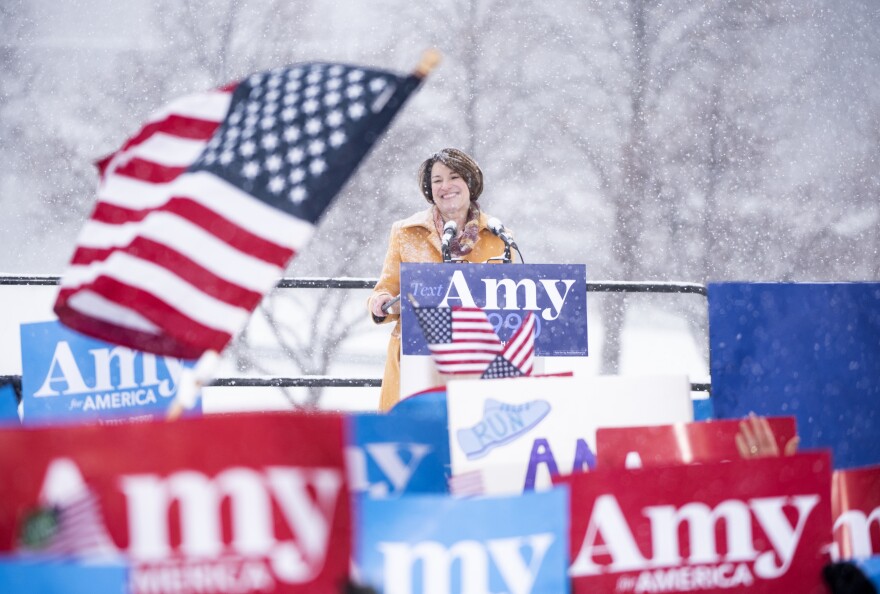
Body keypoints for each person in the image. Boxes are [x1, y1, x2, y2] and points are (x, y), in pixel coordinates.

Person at [368, 148, 510, 412]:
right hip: (417, 353)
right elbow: (385, 289)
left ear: (470, 182)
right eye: (437, 180)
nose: (445, 186)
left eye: (454, 177)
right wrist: (382, 302)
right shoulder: (406, 232)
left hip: (477, 355)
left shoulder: (499, 236)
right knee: (415, 431)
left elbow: (513, 301)